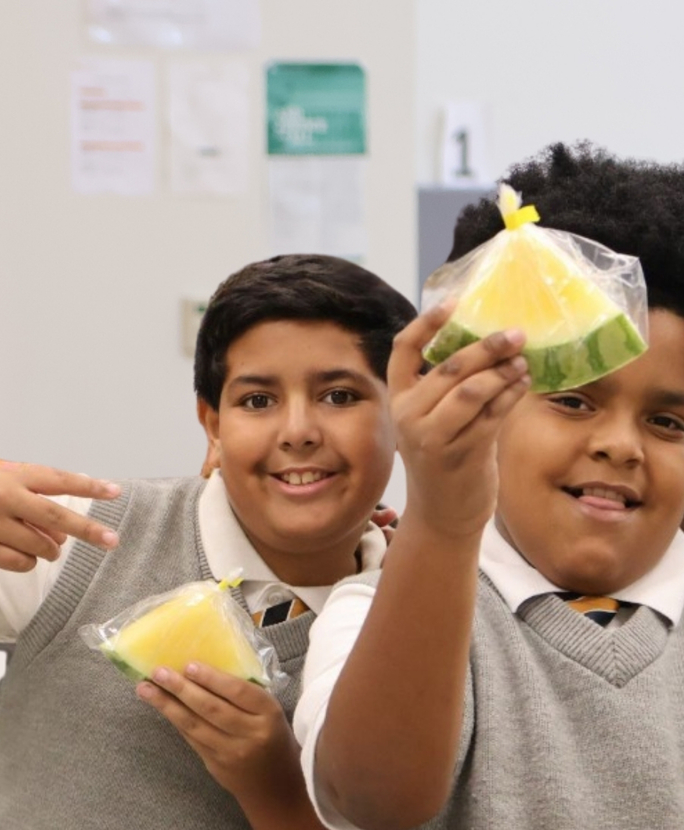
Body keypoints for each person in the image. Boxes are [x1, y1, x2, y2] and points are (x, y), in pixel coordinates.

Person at [293, 143, 684, 830]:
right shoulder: (372, 615)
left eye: (666, 422)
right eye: (573, 401)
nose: (620, 444)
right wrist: (442, 519)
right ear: (487, 407)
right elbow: (373, 801)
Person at [0, 253, 416, 830]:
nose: (298, 432)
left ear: (406, 416)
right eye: (258, 401)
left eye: (340, 396)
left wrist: (278, 786)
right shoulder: (78, 537)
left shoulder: (429, 627)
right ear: (213, 425)